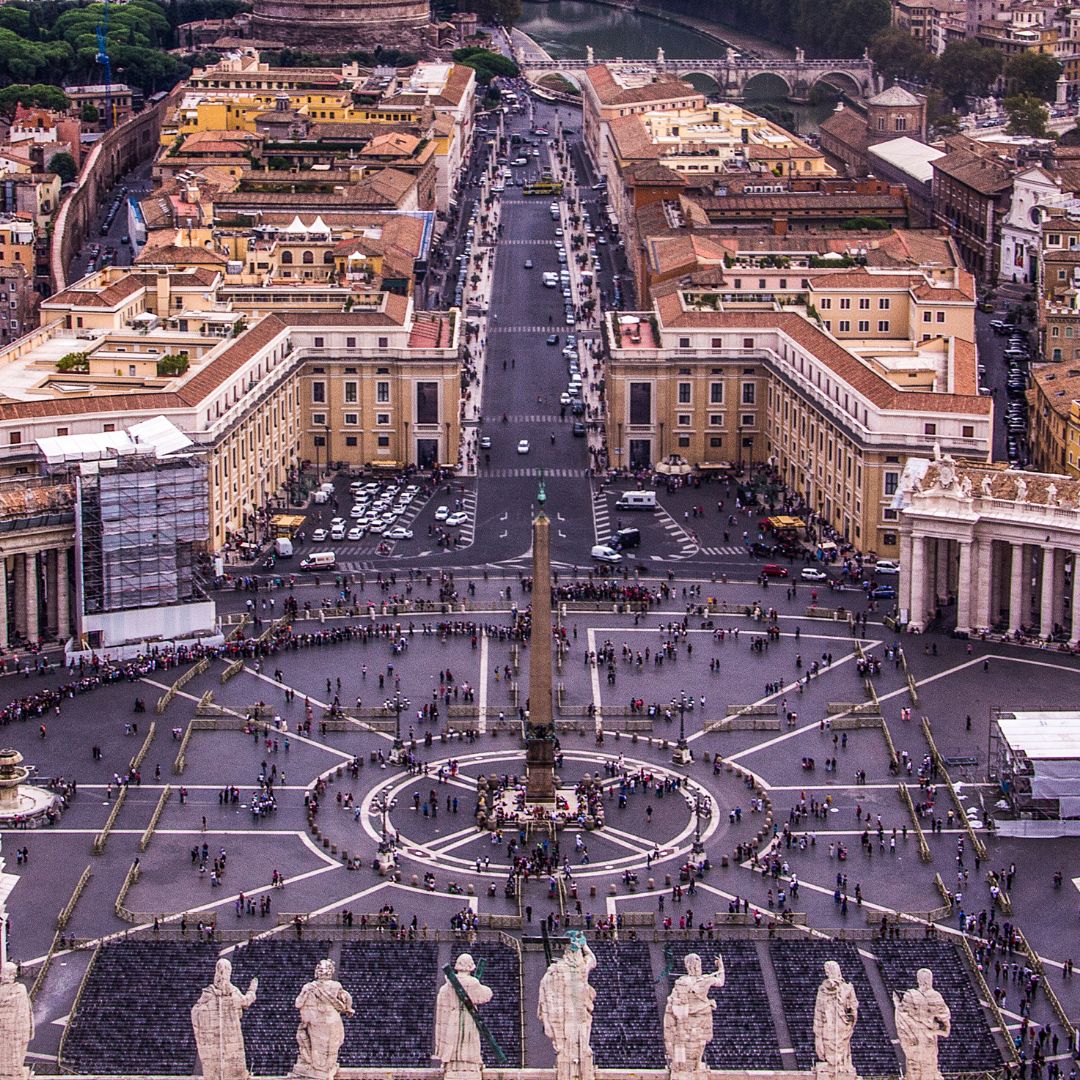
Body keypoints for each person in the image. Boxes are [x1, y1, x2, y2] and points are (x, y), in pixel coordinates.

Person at [538, 931, 596, 1080]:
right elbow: (592, 959)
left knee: (573, 1047)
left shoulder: (558, 970)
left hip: (575, 1016)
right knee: (578, 1046)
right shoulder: (581, 968)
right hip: (574, 1016)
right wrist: (585, 946)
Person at [192, 958, 258, 1080]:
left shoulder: (209, 993)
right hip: (227, 1036)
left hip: (222, 1037)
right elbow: (246, 1001)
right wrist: (252, 990)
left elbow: (196, 1011)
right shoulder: (232, 992)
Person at [663, 953, 725, 1080]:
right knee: (699, 1042)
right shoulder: (705, 979)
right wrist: (720, 967)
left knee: (689, 1042)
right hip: (701, 1014)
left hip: (688, 1017)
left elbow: (675, 1001)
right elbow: (721, 982)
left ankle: (690, 1066)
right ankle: (695, 1065)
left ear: (687, 966)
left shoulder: (682, 982)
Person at [291, 960, 354, 1080]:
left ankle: (326, 1069)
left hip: (329, 1019)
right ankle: (321, 1070)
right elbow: (298, 1003)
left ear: (330, 971)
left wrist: (348, 1007)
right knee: (320, 1046)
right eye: (318, 968)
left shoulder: (335, 985)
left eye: (323, 968)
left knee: (332, 1045)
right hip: (318, 1020)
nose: (320, 970)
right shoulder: (310, 987)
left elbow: (345, 998)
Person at [434, 954, 493, 1078]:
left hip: (451, 1020)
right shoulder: (473, 983)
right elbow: (486, 995)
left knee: (454, 1043)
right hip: (469, 1017)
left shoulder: (445, 988)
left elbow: (441, 1009)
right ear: (470, 966)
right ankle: (470, 1067)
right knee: (469, 1042)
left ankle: (452, 1066)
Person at [894, 969, 951, 1080]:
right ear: (930, 980)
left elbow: (901, 1016)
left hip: (912, 1042)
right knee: (928, 1070)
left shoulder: (909, 996)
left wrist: (896, 1002)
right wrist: (932, 1031)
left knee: (913, 1068)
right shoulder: (935, 996)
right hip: (928, 1041)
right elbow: (946, 1025)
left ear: (918, 980)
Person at [814, 961, 858, 1080]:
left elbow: (854, 1006)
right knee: (829, 1051)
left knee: (841, 1053)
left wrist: (851, 1013)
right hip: (828, 1025)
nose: (827, 972)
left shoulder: (847, 988)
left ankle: (841, 1069)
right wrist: (817, 1035)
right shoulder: (822, 990)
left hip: (842, 1025)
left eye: (829, 970)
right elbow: (818, 1012)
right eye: (826, 971)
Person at [0, 961, 33, 1080]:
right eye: (10, 973)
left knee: (16, 1054)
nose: (13, 976)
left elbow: (26, 1010)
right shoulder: (18, 989)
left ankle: (14, 1072)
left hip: (18, 1029)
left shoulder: (20, 989)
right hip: (7, 1030)